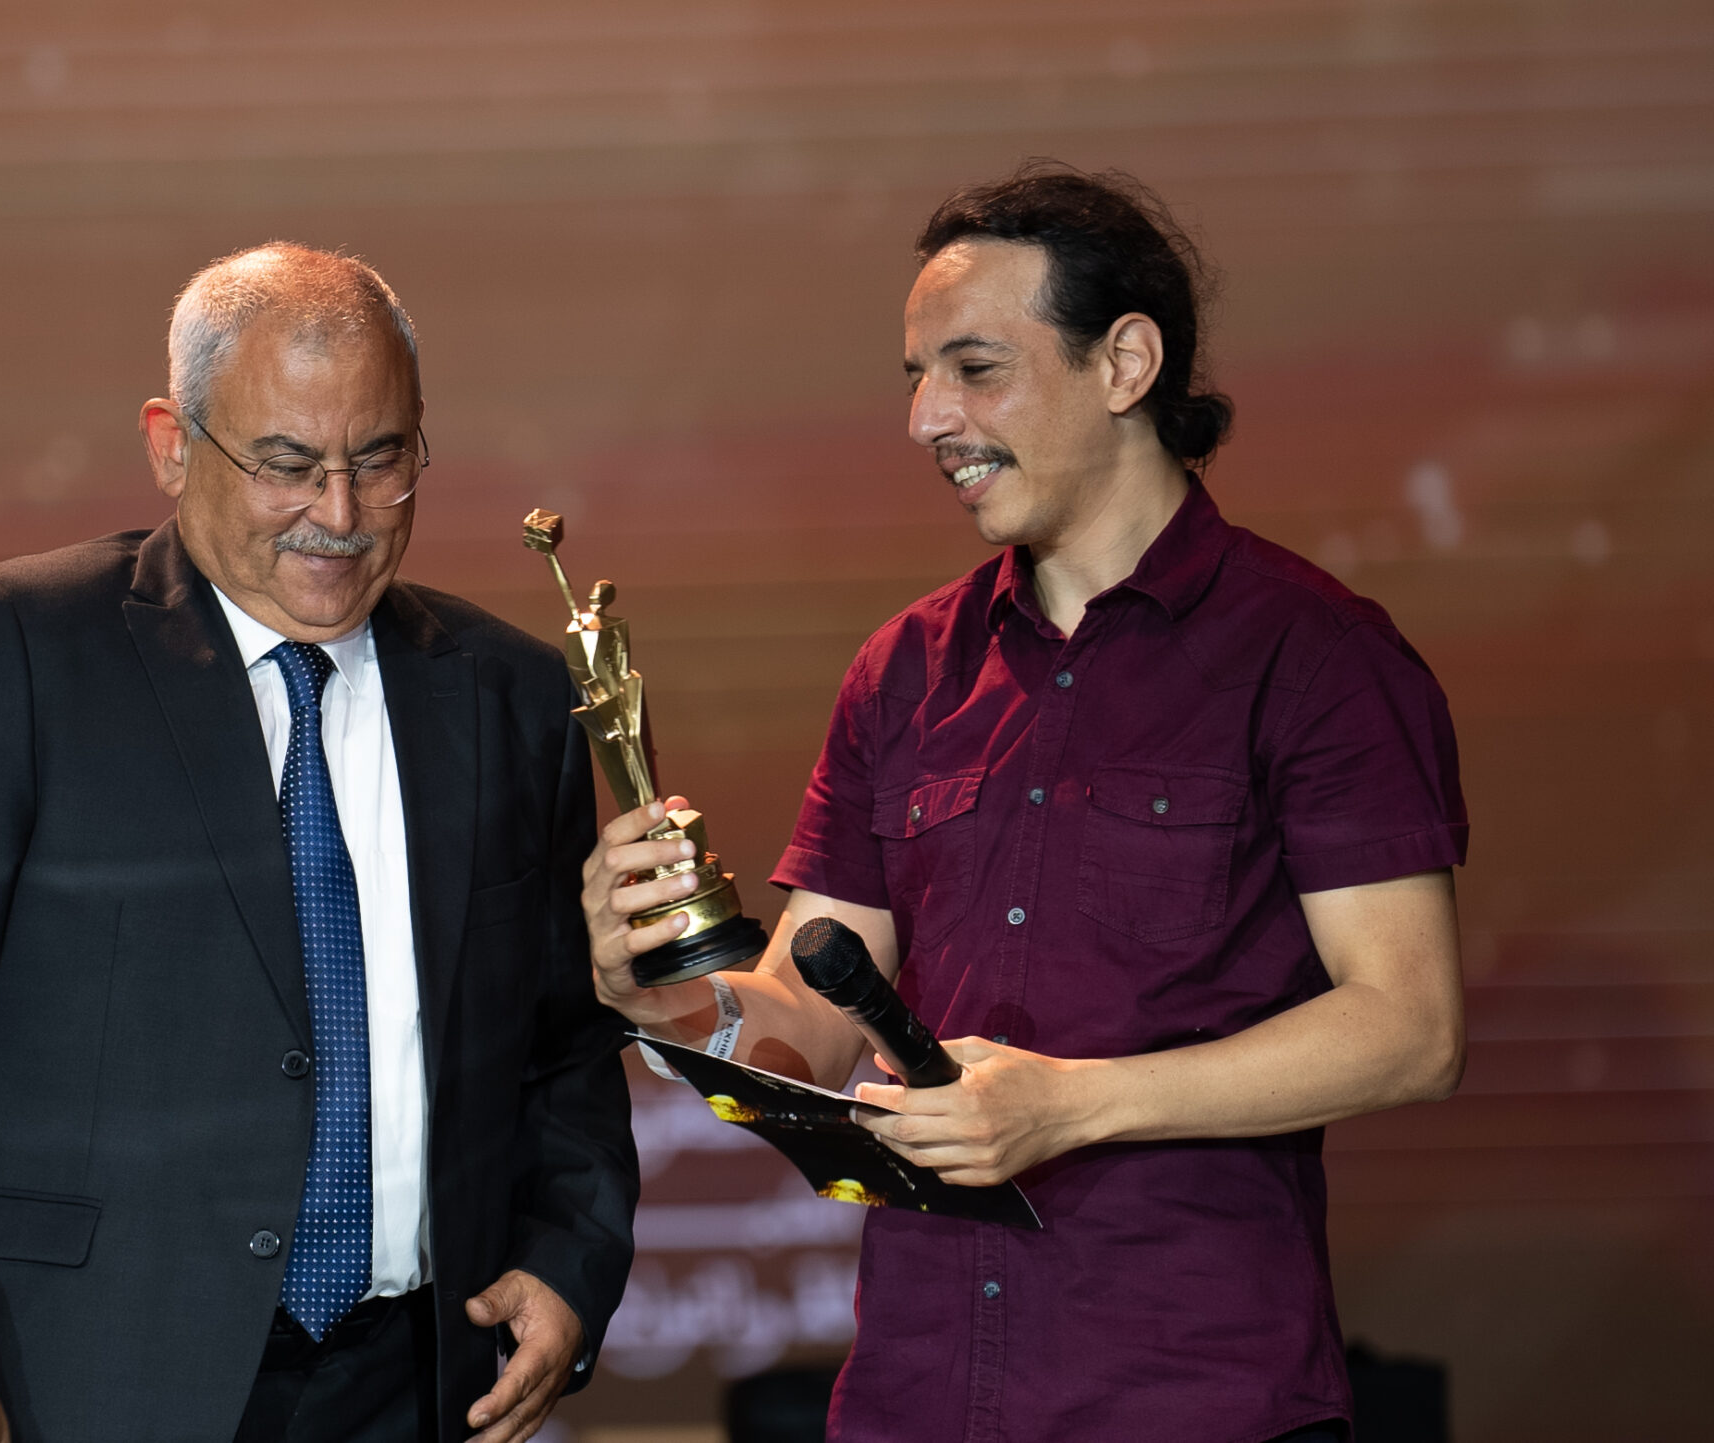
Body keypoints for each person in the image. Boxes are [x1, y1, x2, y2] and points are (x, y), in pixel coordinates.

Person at [586, 166, 1468, 1442]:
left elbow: (1409, 1028)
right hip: (915, 1398)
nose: (926, 419)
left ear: (1124, 364)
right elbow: (809, 1035)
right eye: (915, 378)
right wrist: (663, 997)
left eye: (974, 369)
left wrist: (1072, 1104)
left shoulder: (1312, 655)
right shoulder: (902, 671)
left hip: (1194, 1402)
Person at [0, 243, 636, 1443]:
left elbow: (563, 1045)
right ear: (170, 445)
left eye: (379, 460)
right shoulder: (14, 651)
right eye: (287, 466)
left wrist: (568, 1258)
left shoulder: (510, 696)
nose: (338, 516)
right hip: (71, 1386)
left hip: (412, 1392)